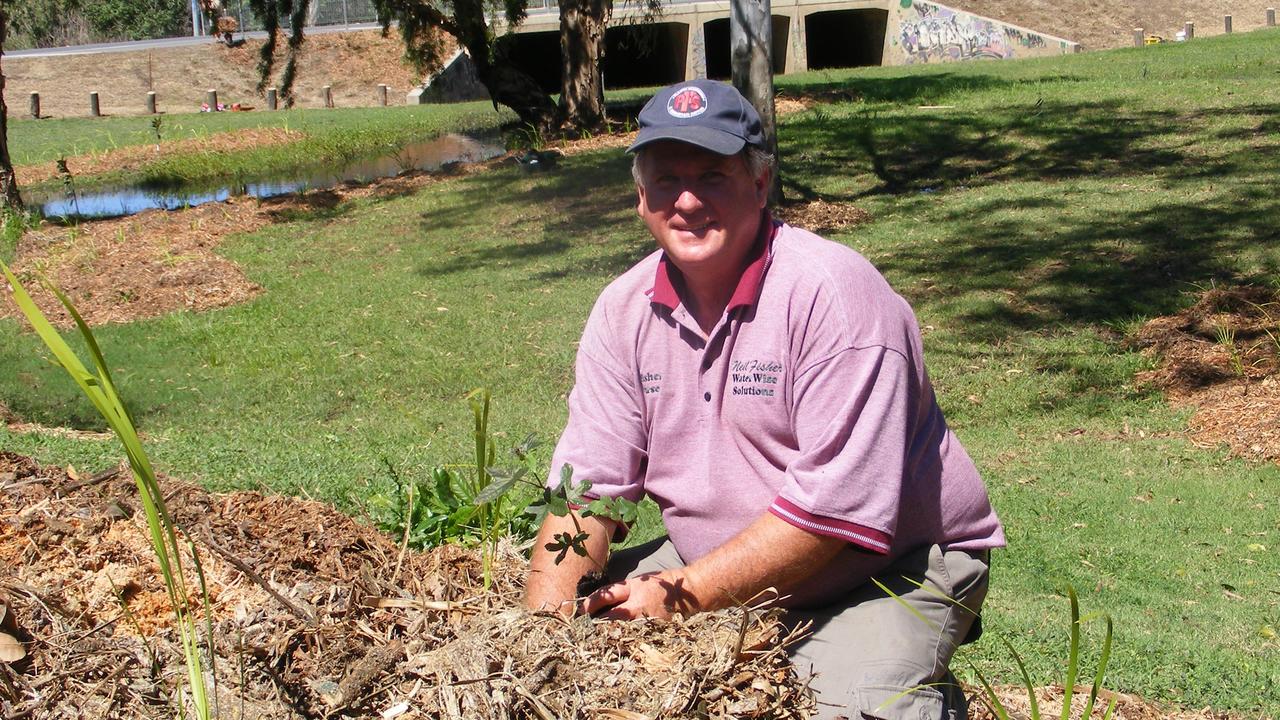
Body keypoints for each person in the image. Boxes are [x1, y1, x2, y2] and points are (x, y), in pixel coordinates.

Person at [523, 78, 1005, 720]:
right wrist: (541, 631)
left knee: (850, 708)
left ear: (760, 183)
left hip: (881, 567)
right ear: (641, 196)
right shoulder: (622, 310)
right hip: (714, 553)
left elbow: (835, 512)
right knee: (582, 648)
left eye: (713, 176)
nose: (687, 201)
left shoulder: (835, 297)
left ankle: (911, 685)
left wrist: (679, 595)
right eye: (666, 179)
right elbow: (587, 486)